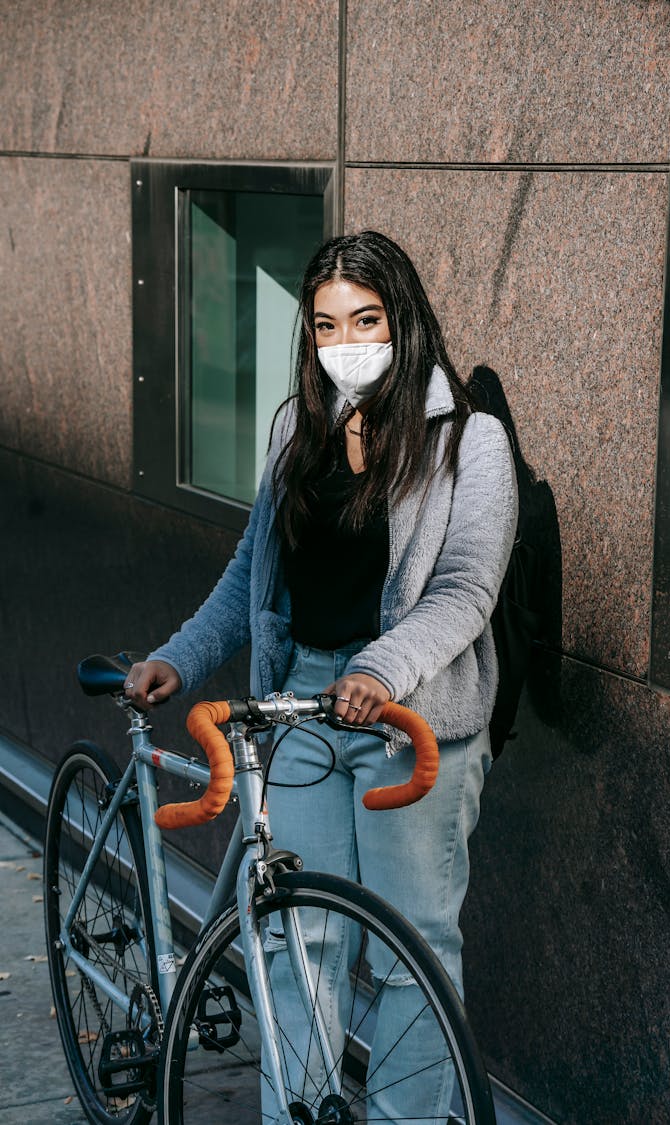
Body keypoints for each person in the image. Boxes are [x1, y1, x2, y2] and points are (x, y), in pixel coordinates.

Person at [125, 230, 518, 1119]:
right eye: (328, 325)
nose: (348, 342)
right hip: (299, 705)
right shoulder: (296, 432)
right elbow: (249, 578)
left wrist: (380, 670)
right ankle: (295, 1111)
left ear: (404, 319)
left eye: (367, 320)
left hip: (411, 719)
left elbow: (465, 591)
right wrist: (178, 657)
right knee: (295, 937)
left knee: (414, 945)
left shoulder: (469, 441)